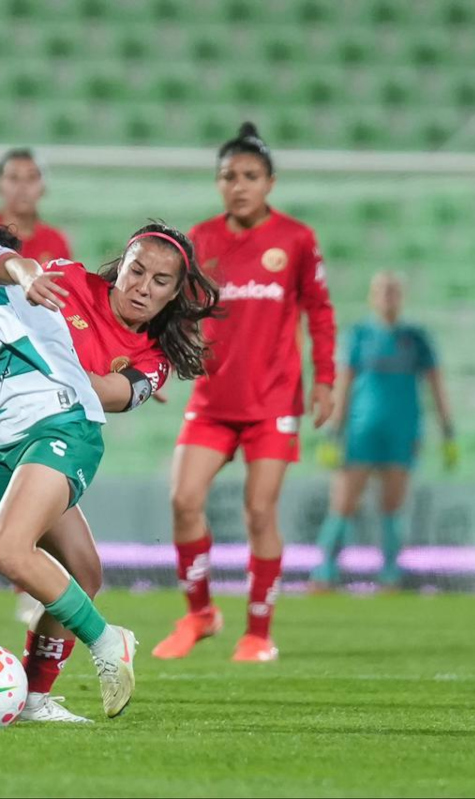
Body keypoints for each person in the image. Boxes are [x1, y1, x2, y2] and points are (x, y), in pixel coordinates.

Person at [0, 219, 217, 724]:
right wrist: (18, 276)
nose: (142, 287)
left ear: (175, 293)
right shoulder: (69, 277)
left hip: (51, 425)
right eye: (136, 271)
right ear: (121, 266)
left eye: (160, 281)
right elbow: (9, 278)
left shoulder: (154, 358)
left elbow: (109, 393)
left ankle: (45, 686)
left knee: (58, 563)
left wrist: (46, 362)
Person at [154, 122, 337, 664]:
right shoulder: (200, 239)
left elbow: (319, 312)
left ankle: (258, 633)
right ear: (218, 183)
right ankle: (200, 614)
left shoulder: (296, 239)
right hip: (213, 400)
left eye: (250, 176)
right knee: (183, 500)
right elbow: (173, 311)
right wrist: (154, 366)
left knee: (260, 510)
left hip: (273, 401)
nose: (239, 186)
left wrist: (326, 380)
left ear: (270, 183)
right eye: (229, 176)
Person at [0, 147, 73, 618]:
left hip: (39, 378)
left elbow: (68, 311)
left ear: (42, 185)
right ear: (0, 185)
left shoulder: (55, 241)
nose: (22, 186)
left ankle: (28, 585)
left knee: (38, 477)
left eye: (31, 177)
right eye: (13, 177)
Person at [311, 272, 456, 590]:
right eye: (382, 290)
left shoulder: (416, 339)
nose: (387, 296)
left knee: (392, 503)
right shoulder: (360, 335)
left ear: (401, 297)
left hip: (402, 431)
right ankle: (325, 570)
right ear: (372, 297)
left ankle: (390, 572)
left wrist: (448, 431)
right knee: (344, 501)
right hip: (360, 431)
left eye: (393, 291)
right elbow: (344, 383)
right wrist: (334, 431)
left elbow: (436, 384)